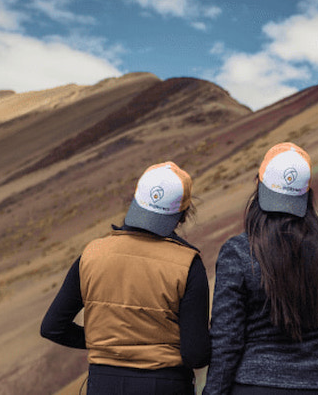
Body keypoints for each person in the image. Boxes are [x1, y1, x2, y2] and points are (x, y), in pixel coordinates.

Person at [41, 161, 211, 394]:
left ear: (135, 199)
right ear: (182, 215)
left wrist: (108, 344)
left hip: (103, 383)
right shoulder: (188, 264)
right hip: (164, 385)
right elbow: (196, 355)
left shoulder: (92, 254)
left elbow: (52, 327)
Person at [203, 142, 318, 395]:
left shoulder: (238, 251)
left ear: (258, 185)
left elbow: (227, 338)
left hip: (254, 384)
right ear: (307, 193)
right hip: (314, 384)